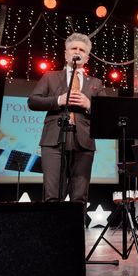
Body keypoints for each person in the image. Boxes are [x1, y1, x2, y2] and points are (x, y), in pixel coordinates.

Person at [28, 32, 106, 204]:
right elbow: (33, 101)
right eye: (73, 48)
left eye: (82, 50)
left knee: (79, 196)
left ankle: (76, 223)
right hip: (53, 141)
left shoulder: (96, 83)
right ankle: (53, 223)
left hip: (84, 142)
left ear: (86, 58)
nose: (77, 51)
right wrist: (58, 100)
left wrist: (89, 104)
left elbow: (106, 113)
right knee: (53, 195)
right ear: (65, 54)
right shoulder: (50, 76)